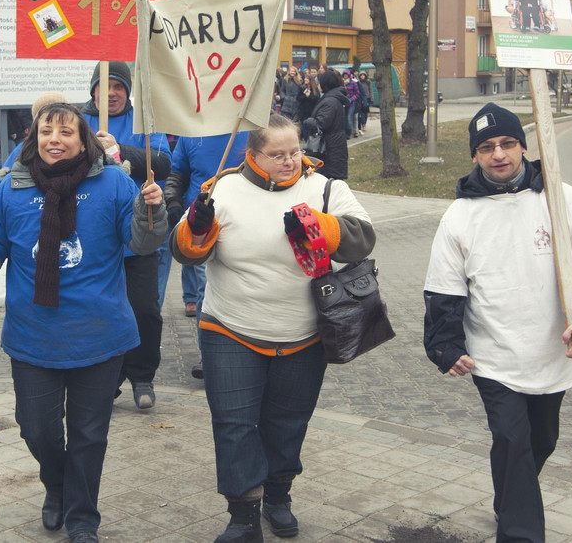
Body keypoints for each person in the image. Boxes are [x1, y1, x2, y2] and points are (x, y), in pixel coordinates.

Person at [0, 102, 166, 543]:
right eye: (47, 131)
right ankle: (56, 485)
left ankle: (82, 517)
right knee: (37, 427)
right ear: (34, 137)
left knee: (88, 434)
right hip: (33, 336)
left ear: (83, 140)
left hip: (99, 335)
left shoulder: (114, 182)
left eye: (66, 131)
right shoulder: (12, 188)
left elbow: (142, 242)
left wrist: (150, 211)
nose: (55, 139)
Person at [422, 103, 572, 543]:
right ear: (475, 156)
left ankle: (509, 501)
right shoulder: (459, 217)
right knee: (513, 442)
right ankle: (520, 532)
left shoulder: (562, 199)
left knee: (539, 442)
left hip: (554, 354)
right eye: (486, 147)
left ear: (522, 146)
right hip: (494, 357)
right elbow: (442, 292)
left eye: (507, 143)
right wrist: (446, 345)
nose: (499, 154)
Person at [171, 113, 374, 543]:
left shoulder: (324, 188)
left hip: (303, 334)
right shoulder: (222, 188)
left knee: (287, 422)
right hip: (229, 328)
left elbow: (363, 238)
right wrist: (198, 226)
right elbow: (185, 253)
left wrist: (321, 225)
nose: (289, 161)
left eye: (295, 151)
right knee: (234, 424)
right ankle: (243, 515)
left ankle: (278, 498)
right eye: (277, 154)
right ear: (252, 155)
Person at [83, 61, 172, 410]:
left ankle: (142, 374)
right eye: (105, 86)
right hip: (95, 239)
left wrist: (119, 150)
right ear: (93, 90)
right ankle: (107, 379)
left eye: (119, 86)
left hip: (139, 237)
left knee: (145, 310)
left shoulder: (144, 123)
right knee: (99, 313)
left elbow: (164, 163)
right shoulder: (78, 121)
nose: (112, 93)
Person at [163, 130, 249, 379]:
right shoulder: (192, 132)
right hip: (201, 222)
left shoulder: (253, 130)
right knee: (205, 288)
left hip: (243, 222)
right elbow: (177, 172)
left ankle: (246, 347)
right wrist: (173, 202)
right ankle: (209, 354)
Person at [302, 70, 350, 180]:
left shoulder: (330, 101)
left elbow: (321, 124)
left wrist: (308, 121)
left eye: (319, 83)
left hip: (329, 148)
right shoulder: (332, 98)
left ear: (325, 84)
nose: (317, 85)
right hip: (332, 146)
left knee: (327, 182)